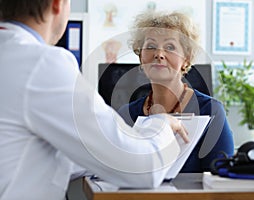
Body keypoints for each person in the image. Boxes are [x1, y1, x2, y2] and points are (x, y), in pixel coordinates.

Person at [0, 1, 189, 200]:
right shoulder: (41, 63)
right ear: (58, 4)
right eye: (150, 46)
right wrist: (161, 124)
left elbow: (24, 150)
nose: (159, 55)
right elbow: (142, 168)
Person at [118, 11, 234, 172]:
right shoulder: (125, 115)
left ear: (186, 59)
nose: (159, 54)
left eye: (170, 47)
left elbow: (220, 182)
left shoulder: (212, 111)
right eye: (151, 46)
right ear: (140, 57)